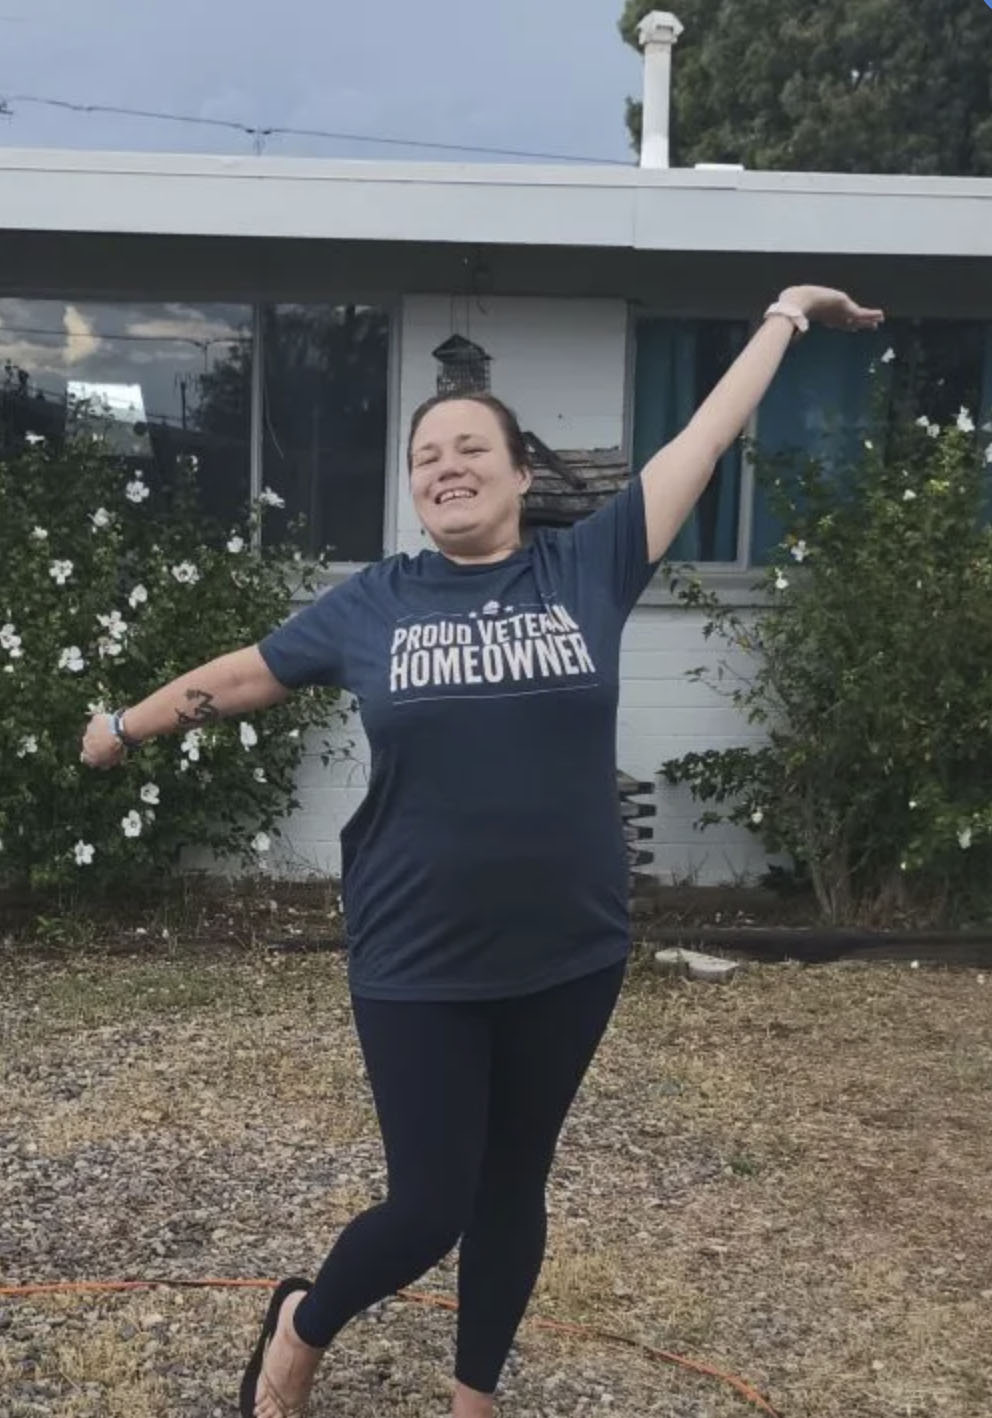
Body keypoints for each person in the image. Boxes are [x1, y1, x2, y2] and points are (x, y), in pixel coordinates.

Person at [81, 284, 882, 1418]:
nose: (445, 466)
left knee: (514, 1183)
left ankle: (475, 1397)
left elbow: (703, 440)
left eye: (470, 449)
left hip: (569, 948)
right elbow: (248, 673)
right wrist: (125, 725)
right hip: (417, 952)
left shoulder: (587, 567)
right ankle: (301, 1325)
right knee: (428, 1204)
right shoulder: (376, 603)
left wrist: (785, 315)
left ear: (519, 474)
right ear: (415, 488)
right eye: (426, 456)